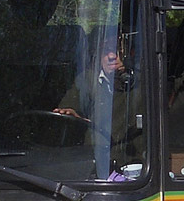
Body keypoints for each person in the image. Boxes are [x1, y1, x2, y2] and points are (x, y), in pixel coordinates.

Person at [54, 28, 143, 179]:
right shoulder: (87, 80)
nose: (110, 56)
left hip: (132, 169)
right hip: (91, 165)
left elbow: (177, 86)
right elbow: (65, 111)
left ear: (130, 52)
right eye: (105, 50)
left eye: (117, 50)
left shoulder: (144, 82)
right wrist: (71, 116)